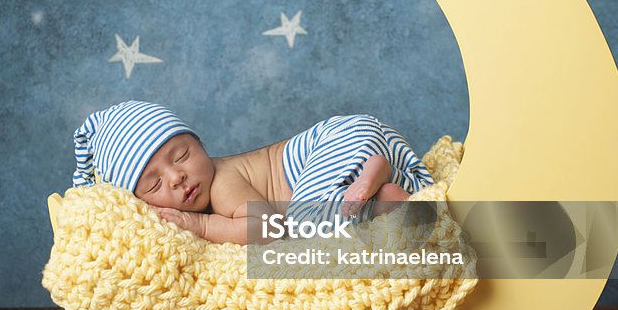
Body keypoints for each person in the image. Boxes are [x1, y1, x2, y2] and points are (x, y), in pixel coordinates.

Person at [72, 101, 434, 245]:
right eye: (153, 183)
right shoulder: (207, 182)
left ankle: (376, 180)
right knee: (345, 223)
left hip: (336, 142)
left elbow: (269, 229)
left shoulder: (223, 182)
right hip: (355, 141)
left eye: (180, 154)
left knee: (305, 221)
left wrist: (202, 226)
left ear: (200, 145)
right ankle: (383, 190)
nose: (176, 177)